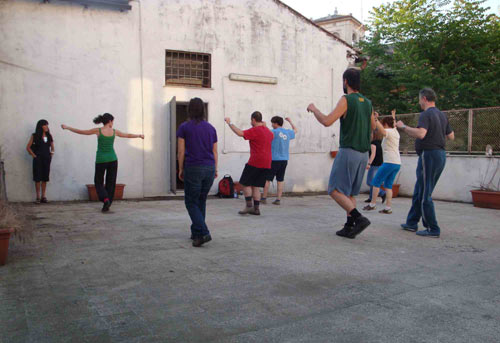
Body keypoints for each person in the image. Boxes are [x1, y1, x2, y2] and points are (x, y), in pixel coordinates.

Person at [307, 68, 376, 239]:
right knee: (350, 193)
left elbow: (327, 121)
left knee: (334, 190)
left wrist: (314, 109)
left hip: (349, 151)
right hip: (363, 153)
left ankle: (359, 218)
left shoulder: (346, 100)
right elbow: (374, 127)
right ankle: (349, 226)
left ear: (345, 81)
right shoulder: (367, 103)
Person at [397, 88, 454, 237]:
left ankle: (433, 228)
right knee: (419, 189)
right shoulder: (442, 115)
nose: (419, 102)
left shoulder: (426, 114)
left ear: (424, 98)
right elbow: (451, 136)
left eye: (419, 99)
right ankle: (411, 222)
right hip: (439, 155)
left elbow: (421, 133)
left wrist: (403, 127)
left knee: (425, 193)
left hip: (429, 155)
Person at [61, 113, 144, 212]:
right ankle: (108, 201)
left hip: (101, 160)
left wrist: (68, 127)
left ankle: (105, 200)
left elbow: (82, 132)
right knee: (111, 182)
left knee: (98, 182)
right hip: (113, 159)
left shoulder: (98, 131)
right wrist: (139, 135)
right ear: (109, 121)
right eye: (112, 121)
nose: (113, 123)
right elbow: (127, 135)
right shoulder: (114, 131)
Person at [177, 98, 218, 247]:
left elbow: (181, 151)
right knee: (201, 200)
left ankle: (204, 232)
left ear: (190, 110)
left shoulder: (184, 127)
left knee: (191, 201)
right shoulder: (211, 128)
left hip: (193, 167)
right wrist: (216, 168)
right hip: (209, 167)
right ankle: (196, 233)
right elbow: (214, 151)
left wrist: (181, 168)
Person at [224, 111, 273, 216]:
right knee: (256, 186)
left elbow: (240, 133)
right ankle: (256, 209)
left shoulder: (255, 130)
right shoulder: (269, 132)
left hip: (255, 161)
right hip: (267, 162)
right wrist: (265, 126)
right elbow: (270, 135)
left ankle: (248, 206)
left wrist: (229, 123)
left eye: (251, 120)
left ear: (253, 120)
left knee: (245, 183)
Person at [363, 109, 401, 214]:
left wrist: (375, 119)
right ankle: (388, 208)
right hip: (397, 163)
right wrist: (393, 116)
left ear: (385, 124)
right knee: (388, 185)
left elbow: (383, 131)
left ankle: (372, 204)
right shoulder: (395, 132)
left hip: (389, 162)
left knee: (375, 182)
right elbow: (393, 125)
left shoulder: (388, 131)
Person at [261, 116, 298, 205]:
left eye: (272, 123)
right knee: (280, 180)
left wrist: (264, 126)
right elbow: (295, 130)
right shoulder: (288, 132)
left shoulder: (273, 132)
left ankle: (264, 198)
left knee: (267, 179)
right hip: (284, 160)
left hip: (274, 159)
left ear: (275, 123)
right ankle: (278, 199)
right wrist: (290, 121)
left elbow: (265, 132)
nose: (272, 125)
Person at [26, 119, 54, 203]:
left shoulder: (49, 136)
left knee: (45, 177)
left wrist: (51, 154)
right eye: (45, 125)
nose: (46, 127)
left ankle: (43, 196)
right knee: (37, 177)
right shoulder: (34, 136)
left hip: (46, 158)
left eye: (47, 125)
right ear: (40, 126)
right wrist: (34, 155)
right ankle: (38, 196)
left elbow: (52, 147)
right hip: (38, 158)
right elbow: (28, 147)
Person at [364, 125, 386, 204]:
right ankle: (371, 197)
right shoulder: (380, 143)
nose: (370, 135)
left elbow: (373, 154)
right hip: (380, 163)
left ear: (374, 134)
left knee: (370, 182)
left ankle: (382, 193)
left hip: (374, 164)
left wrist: (369, 163)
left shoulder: (373, 143)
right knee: (375, 180)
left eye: (371, 133)